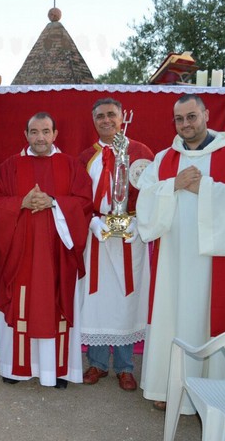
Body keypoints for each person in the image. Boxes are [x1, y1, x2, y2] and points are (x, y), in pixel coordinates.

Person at [136, 94, 225, 412]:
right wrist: (172, 185)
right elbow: (144, 202)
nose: (186, 124)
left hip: (217, 257)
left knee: (212, 317)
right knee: (174, 317)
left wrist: (204, 189)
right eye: (179, 119)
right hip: (174, 260)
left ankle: (218, 395)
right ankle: (170, 388)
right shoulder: (165, 159)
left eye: (191, 116)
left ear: (206, 115)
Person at [0, 112, 92, 387]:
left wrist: (55, 202)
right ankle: (15, 368)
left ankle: (57, 371)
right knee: (21, 304)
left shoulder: (71, 166)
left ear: (55, 134)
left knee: (55, 304)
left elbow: (84, 203)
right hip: (20, 256)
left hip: (57, 255)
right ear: (26, 135)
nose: (40, 137)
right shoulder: (10, 166)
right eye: (34, 132)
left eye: (45, 131)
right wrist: (21, 202)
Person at [77, 98, 153, 391]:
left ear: (123, 118)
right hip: (96, 238)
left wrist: (139, 220)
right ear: (93, 120)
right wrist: (91, 221)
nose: (106, 120)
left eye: (112, 115)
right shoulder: (86, 157)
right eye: (100, 116)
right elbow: (78, 197)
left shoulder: (141, 152)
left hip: (129, 237)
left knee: (126, 298)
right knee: (96, 299)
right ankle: (96, 363)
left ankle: (124, 367)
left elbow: (152, 191)